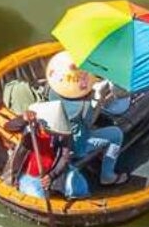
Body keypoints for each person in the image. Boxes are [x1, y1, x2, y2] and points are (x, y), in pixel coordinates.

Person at [25, 54, 123, 197]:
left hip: (55, 139)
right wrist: (99, 100)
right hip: (76, 147)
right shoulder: (83, 106)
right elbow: (89, 124)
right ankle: (107, 176)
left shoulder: (50, 89)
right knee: (116, 134)